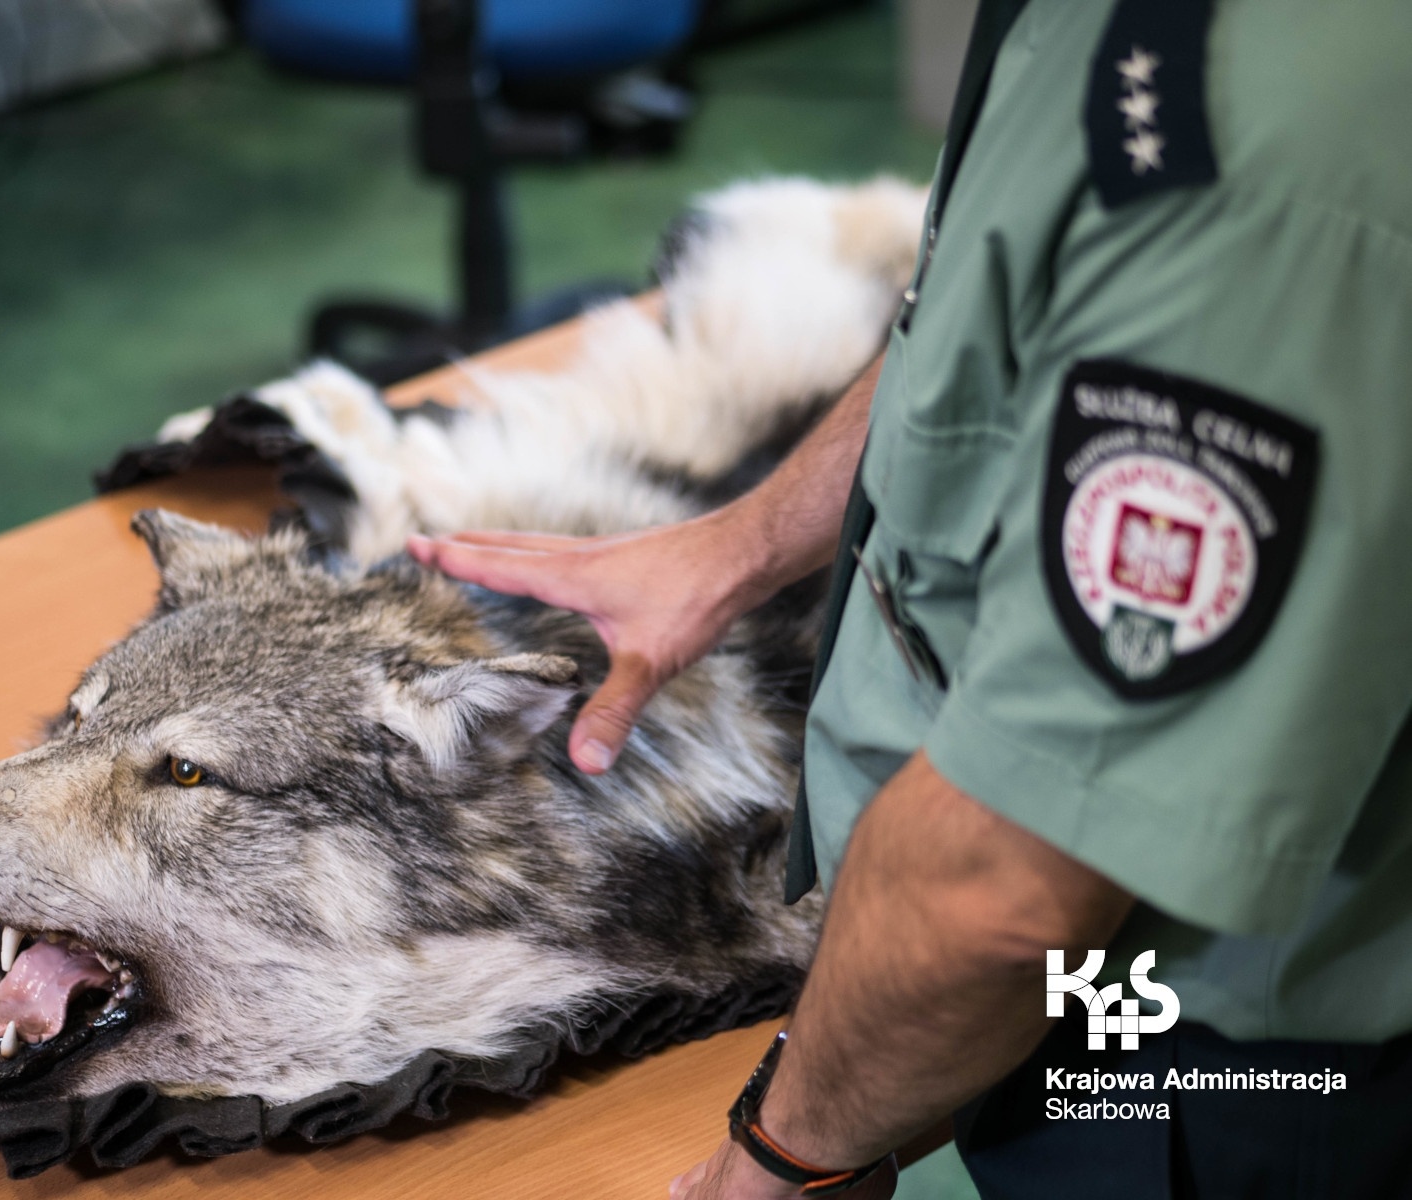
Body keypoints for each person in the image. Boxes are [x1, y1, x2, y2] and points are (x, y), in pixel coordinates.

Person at [410, 0, 1412, 1194]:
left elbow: (1006, 883)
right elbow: (995, 317)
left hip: (1209, 1067)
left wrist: (784, 1154)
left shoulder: (1250, 175)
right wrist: (739, 542)